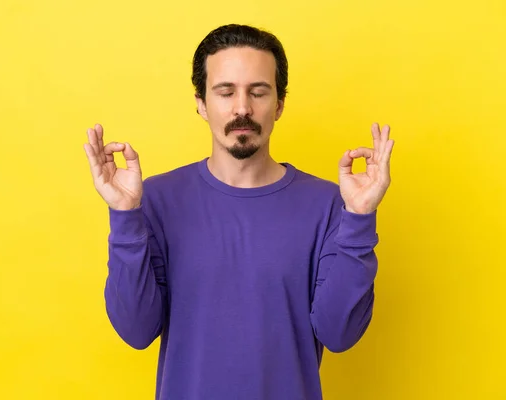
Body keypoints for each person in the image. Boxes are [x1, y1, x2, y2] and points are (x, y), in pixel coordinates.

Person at [83, 24, 394, 400]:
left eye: (258, 92)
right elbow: (135, 330)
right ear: (201, 103)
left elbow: (339, 334)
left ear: (279, 104)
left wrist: (359, 218)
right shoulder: (154, 200)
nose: (242, 108)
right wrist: (124, 216)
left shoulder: (329, 205)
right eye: (226, 91)